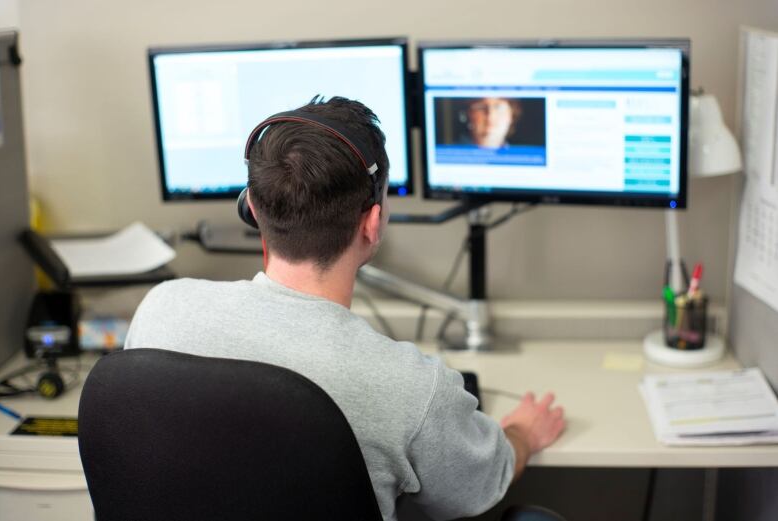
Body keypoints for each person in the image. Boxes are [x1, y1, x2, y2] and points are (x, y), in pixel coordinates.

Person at [124, 96, 565, 521]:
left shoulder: (161, 309)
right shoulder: (410, 386)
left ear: (254, 210)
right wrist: (521, 434)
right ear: (372, 225)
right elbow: (473, 490)